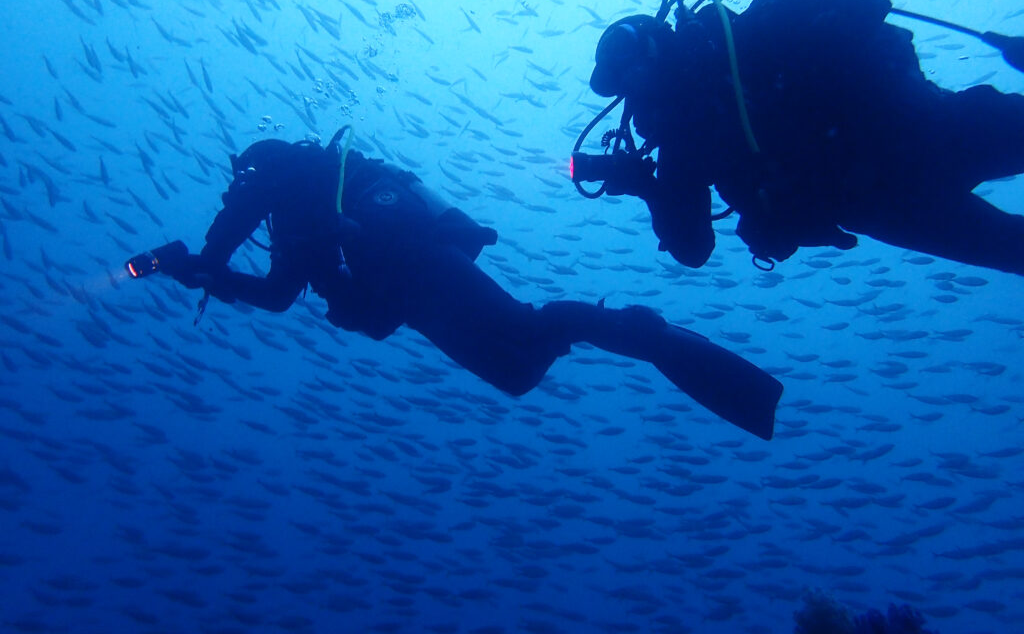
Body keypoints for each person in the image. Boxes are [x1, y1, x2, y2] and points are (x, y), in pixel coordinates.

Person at [130, 133, 783, 439]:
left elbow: (230, 239)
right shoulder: (303, 209)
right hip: (411, 293)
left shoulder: (284, 185)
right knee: (517, 371)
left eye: (245, 181)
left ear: (258, 172)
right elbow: (276, 295)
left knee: (528, 334)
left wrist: (199, 262)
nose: (242, 192)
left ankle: (636, 332)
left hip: (420, 266)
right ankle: (607, 329)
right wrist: (200, 273)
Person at [580, 0, 1024, 274]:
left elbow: (867, 6)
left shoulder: (750, 38)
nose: (637, 90)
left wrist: (832, 17)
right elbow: (693, 250)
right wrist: (647, 187)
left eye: (635, 71)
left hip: (921, 131)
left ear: (661, 47)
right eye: (624, 84)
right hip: (882, 202)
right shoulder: (683, 140)